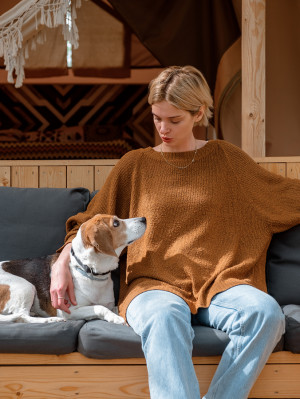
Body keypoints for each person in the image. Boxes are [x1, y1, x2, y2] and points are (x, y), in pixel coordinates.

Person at [50, 65, 300, 399]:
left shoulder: (227, 160)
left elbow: (284, 195)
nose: (163, 128)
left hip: (222, 285)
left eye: (174, 120)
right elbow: (88, 223)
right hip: (153, 286)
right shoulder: (133, 165)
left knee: (267, 314)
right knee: (163, 316)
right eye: (157, 118)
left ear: (198, 113)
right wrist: (60, 264)